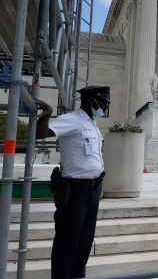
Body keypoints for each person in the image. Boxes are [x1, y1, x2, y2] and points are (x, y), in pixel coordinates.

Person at [35, 85, 110, 279]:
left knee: (85, 243)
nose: (104, 108)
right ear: (92, 100)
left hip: (93, 191)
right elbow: (41, 134)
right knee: (68, 242)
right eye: (103, 103)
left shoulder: (92, 124)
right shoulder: (71, 120)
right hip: (75, 191)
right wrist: (46, 114)